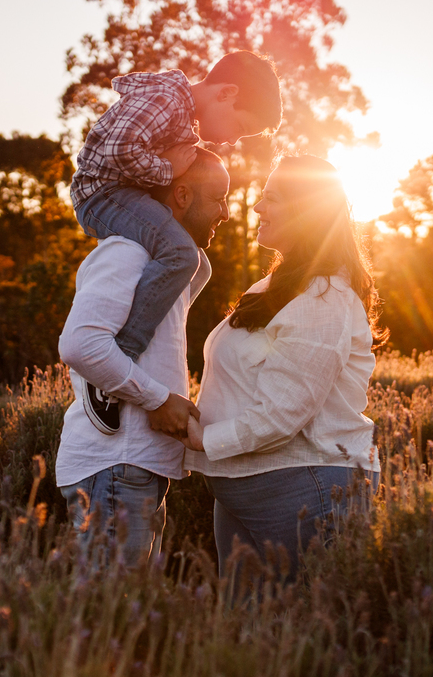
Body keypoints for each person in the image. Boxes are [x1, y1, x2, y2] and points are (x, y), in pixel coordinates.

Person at [182, 155, 387, 579]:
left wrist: (205, 439)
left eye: (270, 198)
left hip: (305, 486)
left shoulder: (325, 297)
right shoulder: (273, 287)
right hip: (247, 483)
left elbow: (284, 411)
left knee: (305, 628)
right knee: (246, 633)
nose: (256, 207)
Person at [70, 50, 282, 435]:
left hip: (126, 193)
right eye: (239, 127)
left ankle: (156, 322)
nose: (233, 139)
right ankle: (123, 356)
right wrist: (169, 169)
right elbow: (120, 150)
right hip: (102, 194)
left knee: (198, 263)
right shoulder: (167, 100)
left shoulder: (184, 115)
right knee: (181, 252)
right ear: (227, 94)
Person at [58, 148, 230, 565]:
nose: (226, 212)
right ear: (183, 195)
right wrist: (158, 399)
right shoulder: (126, 251)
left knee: (129, 617)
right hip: (117, 465)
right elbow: (81, 345)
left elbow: (197, 269)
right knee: (110, 617)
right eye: (218, 197)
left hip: (138, 467)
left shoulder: (168, 265)